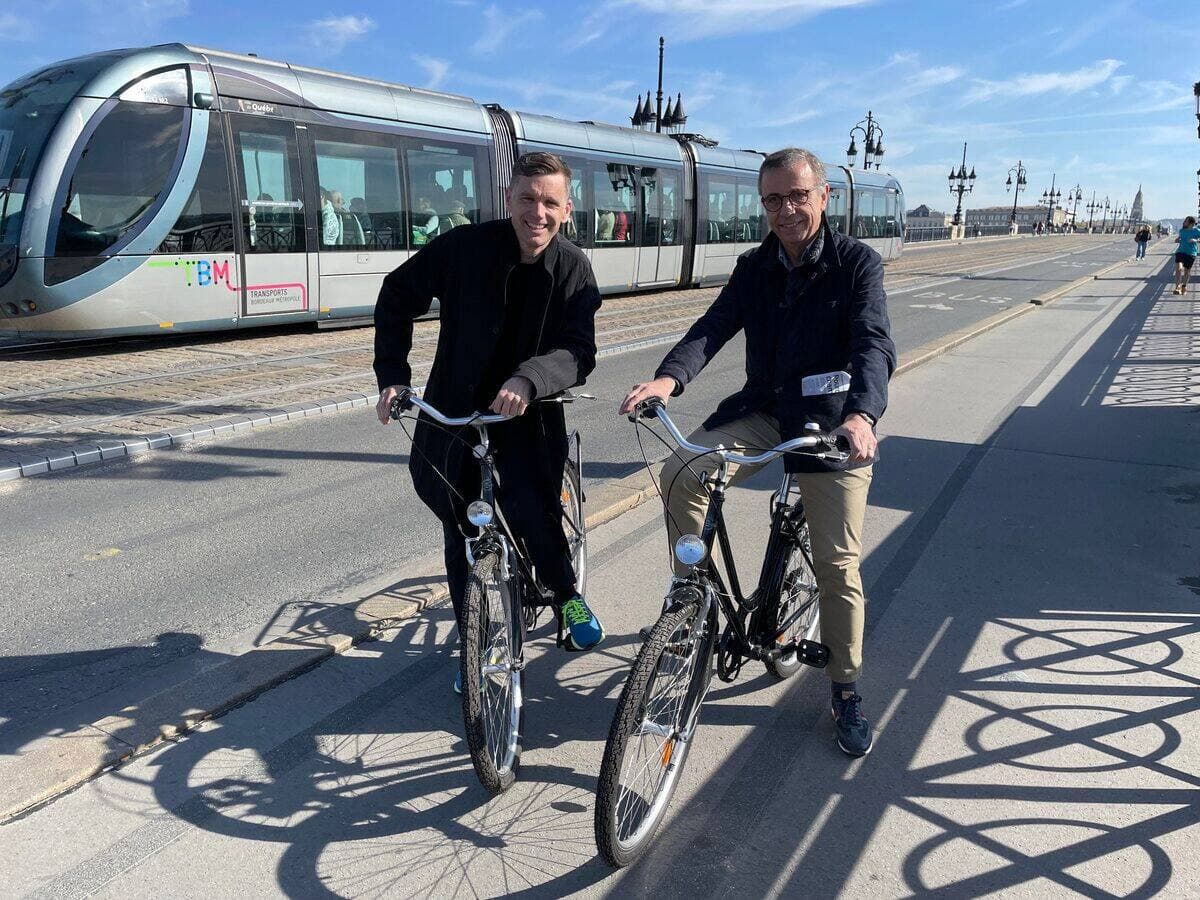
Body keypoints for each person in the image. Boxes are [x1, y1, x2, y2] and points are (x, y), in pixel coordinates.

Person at [621, 147, 896, 758]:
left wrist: (862, 415)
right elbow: (711, 328)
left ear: (824, 197)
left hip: (830, 425)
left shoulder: (857, 265)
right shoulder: (755, 266)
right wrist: (669, 379)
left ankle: (845, 688)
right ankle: (690, 601)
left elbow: (873, 344)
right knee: (683, 470)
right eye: (773, 199)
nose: (786, 209)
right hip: (767, 411)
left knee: (837, 567)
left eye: (798, 195)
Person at [375, 152, 606, 689]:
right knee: (460, 527)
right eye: (527, 199)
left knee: (533, 510)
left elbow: (580, 350)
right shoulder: (464, 247)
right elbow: (396, 293)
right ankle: (473, 638)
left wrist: (529, 379)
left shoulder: (573, 267)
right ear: (509, 200)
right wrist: (392, 374)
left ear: (566, 210)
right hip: (453, 411)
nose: (537, 213)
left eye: (550, 202)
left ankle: (568, 596)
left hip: (529, 414)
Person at [1173, 216, 1200, 294]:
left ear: (1191, 223)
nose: (1184, 222)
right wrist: (1177, 240)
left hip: (1191, 253)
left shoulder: (1197, 231)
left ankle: (1184, 286)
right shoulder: (1182, 230)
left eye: (1185, 221)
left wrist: (1195, 240)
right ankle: (1177, 287)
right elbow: (1179, 238)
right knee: (1178, 268)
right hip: (1180, 251)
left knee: (1187, 271)